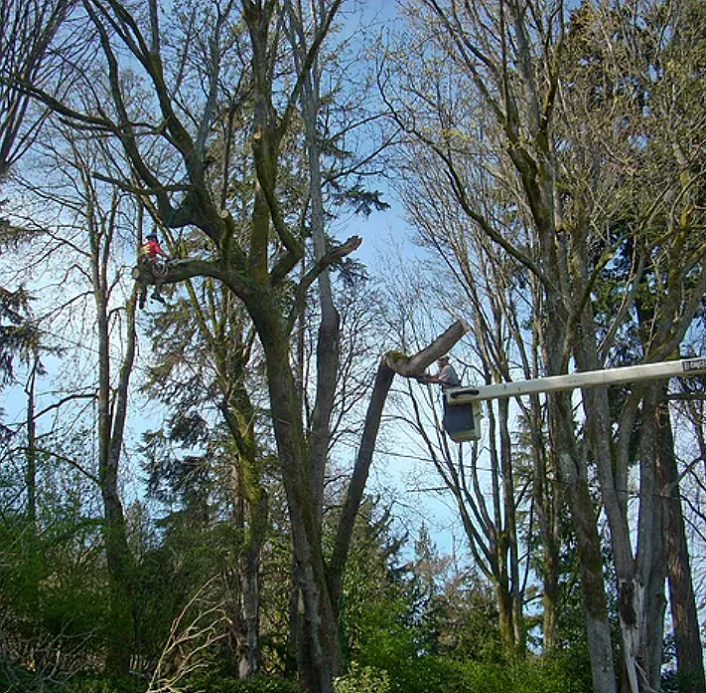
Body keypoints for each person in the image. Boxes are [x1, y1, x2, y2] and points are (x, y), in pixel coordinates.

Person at [138, 233, 170, 306]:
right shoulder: (154, 244)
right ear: (154, 238)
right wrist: (168, 257)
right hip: (150, 263)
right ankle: (156, 293)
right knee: (162, 275)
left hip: (141, 266)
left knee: (144, 282)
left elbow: (141, 255)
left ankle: (142, 299)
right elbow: (159, 252)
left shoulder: (144, 246)